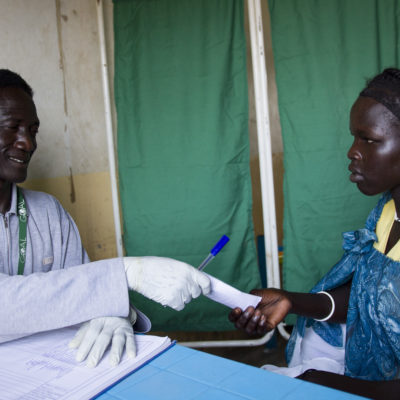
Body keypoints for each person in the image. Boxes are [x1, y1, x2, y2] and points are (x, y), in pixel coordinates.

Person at [0, 69, 211, 368]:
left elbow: (84, 284)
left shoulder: (47, 212)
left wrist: (114, 311)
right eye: (13, 127)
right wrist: (123, 273)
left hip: (50, 370)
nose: (28, 143)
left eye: (33, 130)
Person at [228, 68, 400, 399]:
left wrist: (339, 387)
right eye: (354, 136)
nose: (353, 151)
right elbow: (369, 294)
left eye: (370, 139)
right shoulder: (385, 215)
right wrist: (291, 301)